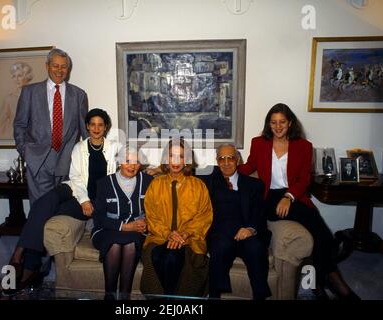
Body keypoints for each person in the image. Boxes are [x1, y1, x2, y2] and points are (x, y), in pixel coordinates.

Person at [238, 103, 360, 300]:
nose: (278, 127)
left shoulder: (304, 146)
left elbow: (304, 179)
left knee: (323, 237)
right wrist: (229, 171)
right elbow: (250, 165)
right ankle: (337, 285)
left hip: (293, 196)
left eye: (282, 122)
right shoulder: (259, 143)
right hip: (268, 198)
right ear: (268, 124)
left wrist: (289, 197)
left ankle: (321, 281)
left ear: (290, 123)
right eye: (273, 123)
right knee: (323, 236)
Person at [6, 108, 121, 293]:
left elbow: (131, 165)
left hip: (98, 199)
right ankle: (19, 254)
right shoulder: (79, 147)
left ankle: (28, 264)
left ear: (106, 127)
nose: (96, 128)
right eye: (92, 124)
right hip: (75, 189)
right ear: (87, 126)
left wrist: (152, 170)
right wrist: (83, 200)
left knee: (49, 213)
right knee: (44, 202)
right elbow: (75, 177)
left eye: (100, 124)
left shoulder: (116, 147)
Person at [14, 48, 89, 205]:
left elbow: (85, 131)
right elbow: (20, 124)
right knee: (40, 209)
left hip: (67, 163)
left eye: (63, 67)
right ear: (47, 66)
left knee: (64, 208)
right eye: (55, 65)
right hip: (38, 161)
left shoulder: (78, 95)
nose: (59, 70)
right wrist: (25, 150)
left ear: (68, 69)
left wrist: (85, 159)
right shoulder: (29, 92)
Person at [140, 138, 213, 297]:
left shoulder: (198, 185)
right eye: (172, 156)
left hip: (190, 239)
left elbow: (204, 216)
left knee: (172, 257)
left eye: (180, 156)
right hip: (159, 237)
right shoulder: (155, 185)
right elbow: (151, 217)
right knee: (158, 255)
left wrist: (184, 233)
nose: (176, 161)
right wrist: (168, 234)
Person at [202, 144, 271, 300]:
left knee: (256, 248)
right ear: (217, 161)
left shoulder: (254, 184)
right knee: (219, 248)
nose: (226, 163)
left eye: (230, 158)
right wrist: (160, 170)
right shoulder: (208, 182)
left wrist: (251, 229)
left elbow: (259, 212)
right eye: (222, 159)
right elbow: (185, 173)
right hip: (222, 234)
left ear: (238, 159)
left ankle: (260, 295)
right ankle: (214, 295)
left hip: (247, 233)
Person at [92, 146, 153, 300]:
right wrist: (124, 226)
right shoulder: (104, 183)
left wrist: (146, 221)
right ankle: (110, 295)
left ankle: (125, 297)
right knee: (114, 245)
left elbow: (156, 210)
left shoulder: (148, 182)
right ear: (119, 162)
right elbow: (98, 218)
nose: (132, 166)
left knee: (130, 243)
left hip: (137, 231)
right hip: (107, 230)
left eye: (136, 162)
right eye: (127, 161)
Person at [0, 62, 34, 140]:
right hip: (14, 139)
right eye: (14, 76)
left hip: (33, 141)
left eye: (19, 76)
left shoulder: (35, 97)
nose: (16, 79)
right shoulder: (9, 99)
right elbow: (0, 125)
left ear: (27, 77)